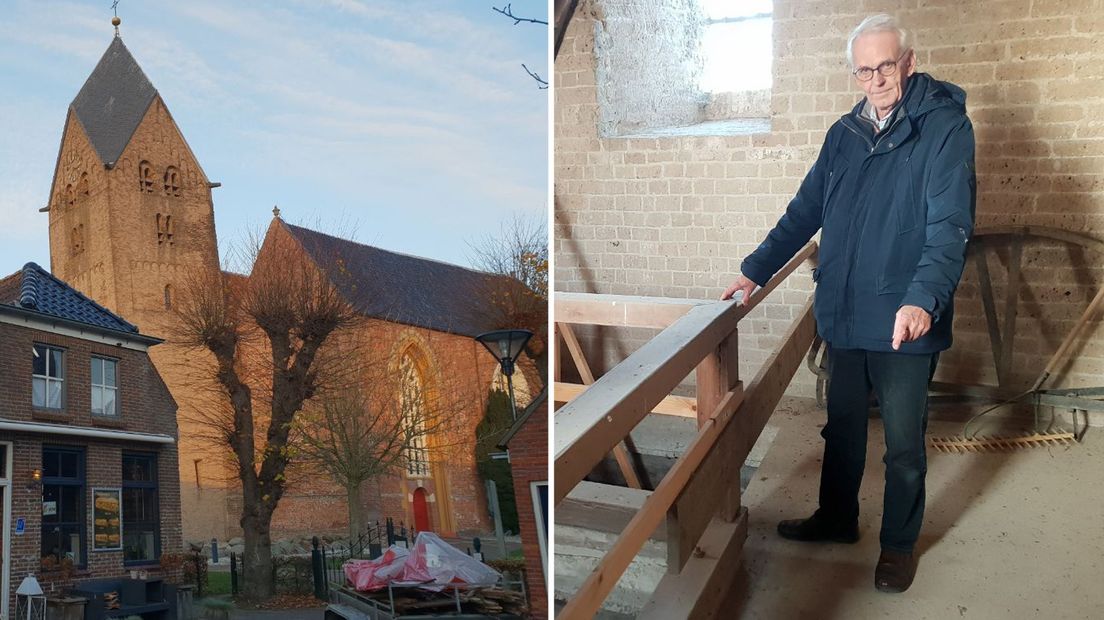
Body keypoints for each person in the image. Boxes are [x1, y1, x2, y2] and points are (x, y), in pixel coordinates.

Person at [721, 14, 976, 593]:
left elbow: (949, 226)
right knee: (841, 428)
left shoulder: (944, 129)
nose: (876, 79)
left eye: (885, 65)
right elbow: (804, 209)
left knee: (905, 443)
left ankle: (898, 545)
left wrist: (922, 300)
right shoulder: (844, 134)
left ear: (908, 62)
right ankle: (837, 519)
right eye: (864, 69)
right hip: (844, 308)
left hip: (903, 319)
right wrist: (754, 270)